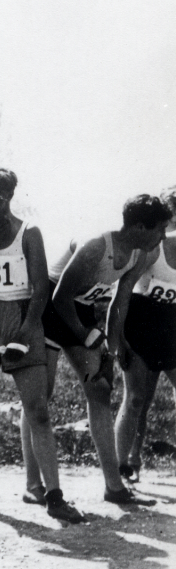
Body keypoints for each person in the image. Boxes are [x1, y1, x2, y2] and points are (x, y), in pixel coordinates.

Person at [0, 167, 83, 522]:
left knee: (37, 410)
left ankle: (54, 495)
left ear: (7, 195)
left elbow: (42, 287)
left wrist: (25, 333)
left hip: (22, 314)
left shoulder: (29, 231)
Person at [33, 194, 171, 505]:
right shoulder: (97, 246)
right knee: (41, 397)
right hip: (49, 310)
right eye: (159, 229)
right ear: (138, 226)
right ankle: (33, 483)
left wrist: (113, 343)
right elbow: (60, 297)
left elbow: (120, 301)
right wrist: (85, 335)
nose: (163, 236)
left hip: (78, 311)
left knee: (101, 389)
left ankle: (114, 487)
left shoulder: (140, 253)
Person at [108, 189, 176, 483]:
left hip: (171, 324)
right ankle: (121, 467)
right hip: (141, 321)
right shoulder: (154, 249)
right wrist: (117, 339)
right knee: (137, 400)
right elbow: (123, 292)